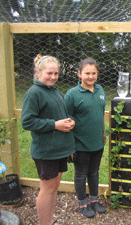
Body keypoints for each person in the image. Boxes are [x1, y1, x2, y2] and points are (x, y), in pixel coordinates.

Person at [21, 54, 75, 225]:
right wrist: (55, 125)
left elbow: (59, 116)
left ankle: (49, 219)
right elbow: (27, 121)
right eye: (49, 73)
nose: (53, 77)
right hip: (46, 151)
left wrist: (68, 120)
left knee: (54, 187)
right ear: (38, 72)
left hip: (59, 149)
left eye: (56, 73)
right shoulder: (34, 93)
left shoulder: (54, 91)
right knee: (47, 189)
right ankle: (44, 222)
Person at [64, 57, 107, 218]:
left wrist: (102, 134)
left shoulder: (100, 90)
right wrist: (70, 146)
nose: (90, 77)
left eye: (94, 73)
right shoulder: (72, 95)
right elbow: (66, 120)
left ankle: (94, 201)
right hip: (80, 144)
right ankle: (83, 203)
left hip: (97, 142)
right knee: (81, 174)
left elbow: (100, 114)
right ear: (79, 74)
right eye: (87, 73)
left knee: (94, 172)